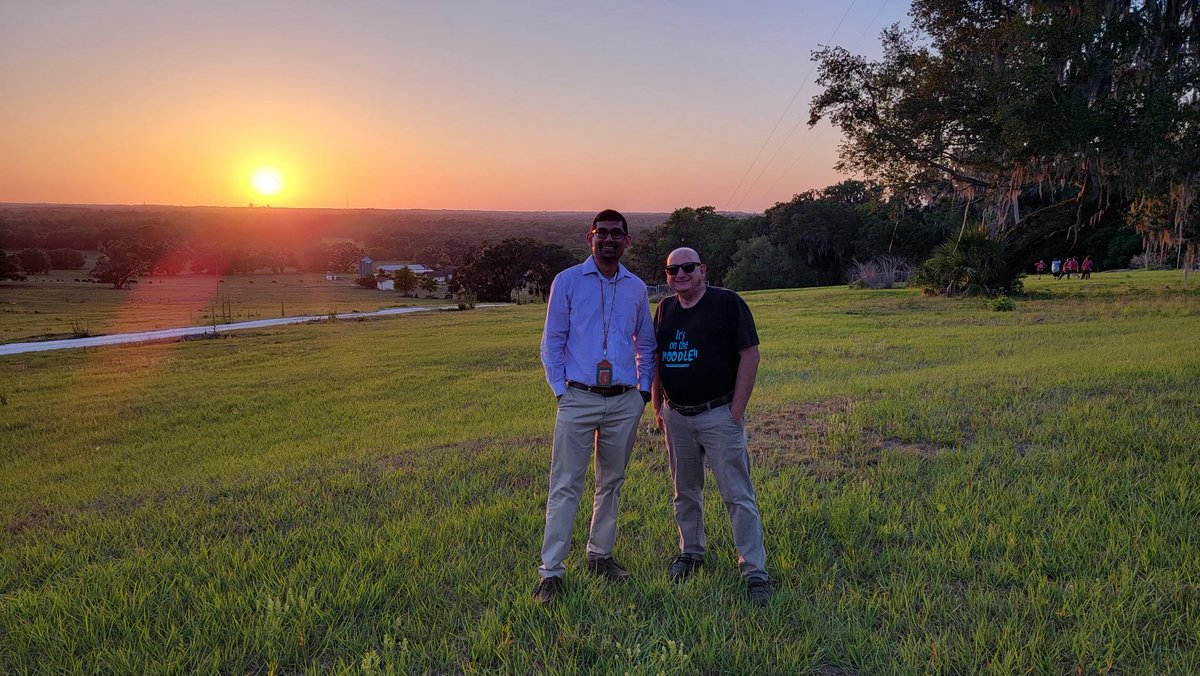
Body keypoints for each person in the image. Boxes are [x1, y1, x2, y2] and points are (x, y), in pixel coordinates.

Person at [534, 209, 656, 605]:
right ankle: (551, 572)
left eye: (615, 234)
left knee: (612, 482)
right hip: (578, 397)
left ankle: (600, 555)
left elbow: (646, 345)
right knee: (565, 484)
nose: (608, 239)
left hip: (623, 401)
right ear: (590, 237)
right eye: (600, 233)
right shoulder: (567, 281)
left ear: (627, 240)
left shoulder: (637, 287)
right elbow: (552, 342)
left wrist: (642, 393)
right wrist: (560, 392)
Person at [650, 247, 772, 606]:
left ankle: (754, 571)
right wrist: (658, 405)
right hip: (677, 416)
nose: (680, 274)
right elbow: (657, 358)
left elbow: (750, 354)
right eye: (673, 270)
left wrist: (736, 411)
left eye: (688, 268)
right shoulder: (665, 309)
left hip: (719, 414)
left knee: (737, 495)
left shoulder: (727, 303)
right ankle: (691, 552)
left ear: (702, 269)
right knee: (685, 491)